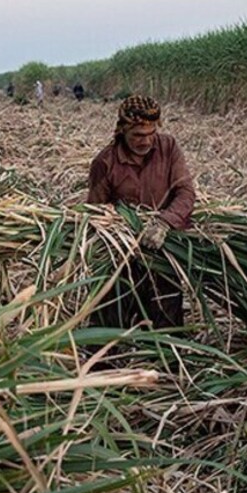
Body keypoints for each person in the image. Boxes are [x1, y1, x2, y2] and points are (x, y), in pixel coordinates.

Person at [86, 95, 196, 329]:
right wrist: (117, 231)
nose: (145, 141)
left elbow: (185, 193)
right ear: (122, 131)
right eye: (137, 135)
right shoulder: (105, 162)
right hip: (123, 253)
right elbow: (94, 211)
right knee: (112, 314)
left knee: (166, 317)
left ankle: (166, 358)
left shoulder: (169, 148)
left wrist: (164, 223)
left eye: (150, 133)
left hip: (162, 248)